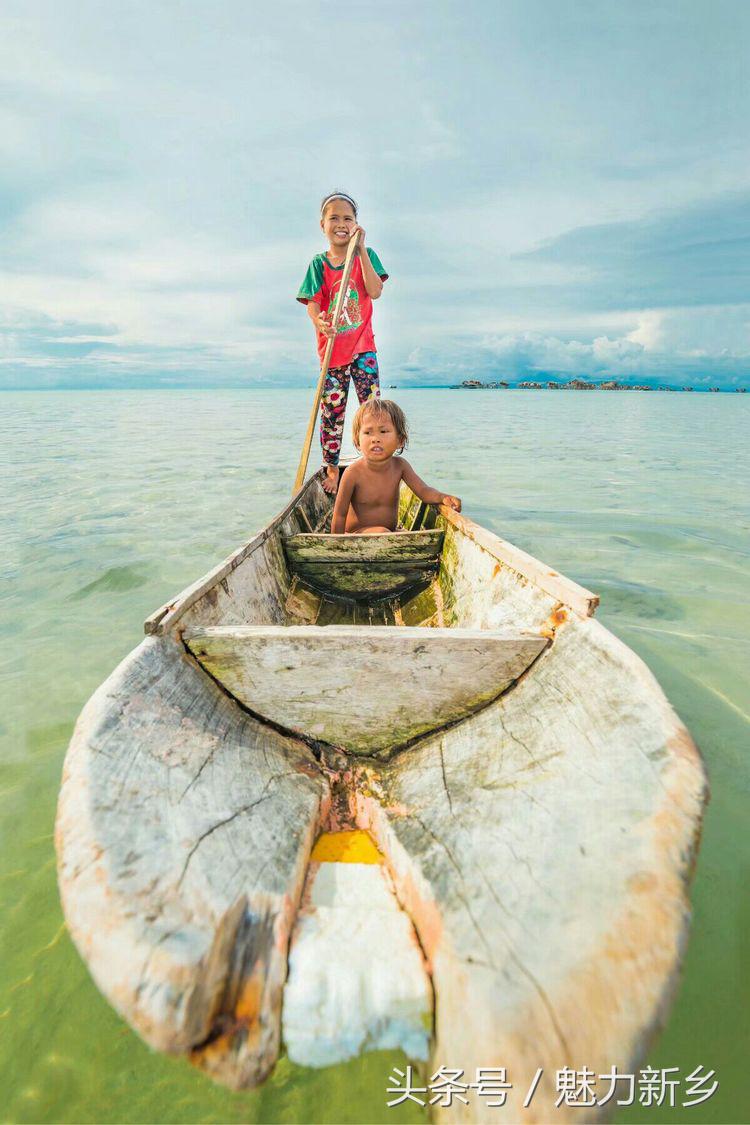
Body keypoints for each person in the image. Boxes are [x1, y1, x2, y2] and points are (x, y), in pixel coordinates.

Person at [296, 191, 389, 495]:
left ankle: (376, 463)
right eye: (334, 218)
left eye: (348, 218)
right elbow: (313, 304)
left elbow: (375, 291)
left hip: (363, 347)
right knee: (332, 414)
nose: (341, 223)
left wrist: (360, 250)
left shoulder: (367, 254)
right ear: (322, 225)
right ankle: (332, 468)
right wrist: (319, 321)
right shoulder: (318, 264)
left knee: (373, 409)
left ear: (356, 224)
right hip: (333, 350)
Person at [331, 399, 461, 534]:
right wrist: (337, 543)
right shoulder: (352, 473)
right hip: (356, 535)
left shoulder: (400, 466)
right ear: (357, 442)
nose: (375, 439)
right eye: (368, 433)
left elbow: (423, 491)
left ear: (400, 440)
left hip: (388, 533)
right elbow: (339, 514)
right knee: (383, 532)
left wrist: (442, 497)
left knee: (389, 533)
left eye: (383, 431)